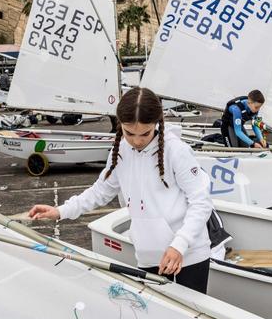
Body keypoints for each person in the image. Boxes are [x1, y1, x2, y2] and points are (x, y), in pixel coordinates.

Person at [28, 87, 214, 293]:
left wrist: (180, 244)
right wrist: (62, 211)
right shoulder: (121, 151)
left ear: (156, 123)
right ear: (120, 125)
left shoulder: (176, 151)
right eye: (129, 133)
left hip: (188, 255)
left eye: (145, 133)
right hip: (147, 255)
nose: (137, 140)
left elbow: (201, 202)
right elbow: (101, 190)